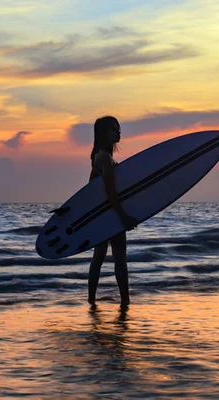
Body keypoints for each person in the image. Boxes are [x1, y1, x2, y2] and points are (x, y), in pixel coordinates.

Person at [87, 116, 138, 306]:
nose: (119, 132)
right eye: (114, 129)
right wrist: (122, 217)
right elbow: (109, 191)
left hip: (104, 215)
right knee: (119, 259)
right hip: (111, 215)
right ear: (104, 133)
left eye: (119, 129)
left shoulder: (99, 156)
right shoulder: (104, 158)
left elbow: (90, 188)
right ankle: (125, 301)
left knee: (99, 258)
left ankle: (91, 302)